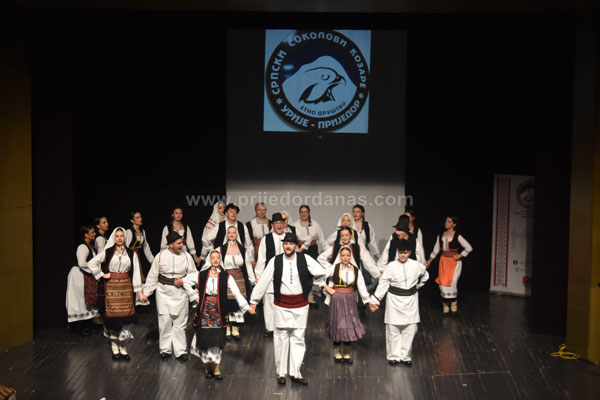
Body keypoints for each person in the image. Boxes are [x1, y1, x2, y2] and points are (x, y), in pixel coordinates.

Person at [250, 232, 326, 386]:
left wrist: (316, 284)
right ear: (283, 245)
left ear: (296, 245)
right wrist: (254, 301)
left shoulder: (305, 259)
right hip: (281, 305)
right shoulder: (276, 261)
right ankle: (281, 372)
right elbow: (264, 280)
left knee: (298, 338)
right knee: (281, 338)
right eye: (286, 244)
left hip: (300, 305)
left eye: (291, 244)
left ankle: (295, 372)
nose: (288, 246)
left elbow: (321, 272)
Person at [184, 250, 254, 380]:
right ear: (209, 260)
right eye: (213, 258)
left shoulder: (226, 276)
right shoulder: (201, 275)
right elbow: (185, 281)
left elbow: (237, 293)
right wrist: (194, 296)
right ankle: (208, 368)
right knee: (206, 338)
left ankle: (216, 369)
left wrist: (247, 307)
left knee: (217, 339)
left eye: (218, 258)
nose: (215, 260)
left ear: (220, 260)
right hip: (205, 310)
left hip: (219, 310)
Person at [88, 227, 146, 361]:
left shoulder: (131, 253)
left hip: (126, 289)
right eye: (117, 236)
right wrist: (102, 275)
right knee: (112, 320)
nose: (119, 238)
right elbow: (91, 263)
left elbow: (136, 274)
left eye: (121, 236)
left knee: (125, 319)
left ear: (125, 237)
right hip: (111, 289)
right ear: (114, 238)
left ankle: (124, 349)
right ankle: (115, 349)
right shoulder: (108, 252)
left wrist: (139, 293)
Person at [369, 239, 429, 366]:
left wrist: (418, 286)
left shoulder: (416, 265)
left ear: (409, 252)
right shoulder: (391, 266)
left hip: (411, 300)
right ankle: (394, 356)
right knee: (393, 329)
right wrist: (375, 300)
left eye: (405, 253)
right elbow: (383, 284)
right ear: (397, 252)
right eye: (401, 252)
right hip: (394, 300)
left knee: (410, 328)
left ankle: (405, 356)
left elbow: (425, 275)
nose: (403, 255)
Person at [140, 231, 197, 361]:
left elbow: (193, 275)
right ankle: (165, 349)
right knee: (165, 321)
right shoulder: (160, 257)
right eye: (179, 243)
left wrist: (183, 281)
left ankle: (180, 350)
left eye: (182, 243)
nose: (182, 245)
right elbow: (153, 276)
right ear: (171, 245)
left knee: (180, 323)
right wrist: (146, 293)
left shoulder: (187, 257)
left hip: (181, 293)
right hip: (163, 293)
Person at [323, 246, 370, 364]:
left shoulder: (355, 270)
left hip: (350, 299)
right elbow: (320, 277)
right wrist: (328, 289)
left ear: (350, 256)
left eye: (347, 255)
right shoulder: (335, 267)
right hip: (337, 298)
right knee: (337, 324)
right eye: (343, 255)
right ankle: (337, 352)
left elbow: (361, 286)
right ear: (340, 256)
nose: (345, 257)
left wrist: (368, 301)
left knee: (349, 323)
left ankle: (347, 353)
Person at [211, 226, 255, 340]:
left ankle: (235, 330)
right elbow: (214, 263)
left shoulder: (242, 250)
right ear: (227, 234)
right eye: (229, 232)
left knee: (238, 304)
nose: (231, 234)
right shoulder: (221, 249)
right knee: (226, 303)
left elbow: (248, 265)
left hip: (239, 278)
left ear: (237, 234)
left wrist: (252, 279)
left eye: (234, 232)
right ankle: (226, 329)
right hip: (226, 278)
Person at [426, 216, 473, 315]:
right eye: (446, 221)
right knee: (443, 284)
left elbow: (469, 247)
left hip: (454, 263)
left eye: (449, 221)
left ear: (454, 224)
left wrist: (460, 255)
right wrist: (429, 261)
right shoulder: (441, 235)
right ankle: (446, 306)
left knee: (452, 283)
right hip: (444, 262)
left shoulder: (457, 235)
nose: (446, 223)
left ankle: (454, 307)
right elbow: (436, 250)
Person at [255, 212, 287, 338]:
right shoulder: (266, 239)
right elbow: (261, 258)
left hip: (285, 275)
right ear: (272, 225)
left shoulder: (288, 237)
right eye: (276, 223)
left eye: (281, 222)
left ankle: (282, 327)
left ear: (284, 224)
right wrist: (259, 277)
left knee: (284, 300)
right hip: (270, 275)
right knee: (269, 301)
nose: (279, 225)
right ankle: (270, 328)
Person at [66, 225, 100, 335]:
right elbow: (81, 263)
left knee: (85, 301)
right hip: (78, 275)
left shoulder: (90, 246)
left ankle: (85, 326)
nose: (94, 234)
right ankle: (78, 328)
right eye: (92, 232)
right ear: (86, 235)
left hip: (85, 275)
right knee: (79, 300)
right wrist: (94, 270)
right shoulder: (82, 247)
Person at [126, 211, 155, 279]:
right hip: (129, 258)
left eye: (140, 217)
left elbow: (146, 247)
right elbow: (126, 246)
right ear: (132, 220)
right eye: (137, 217)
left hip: (137, 257)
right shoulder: (129, 231)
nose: (140, 219)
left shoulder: (142, 231)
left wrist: (152, 261)